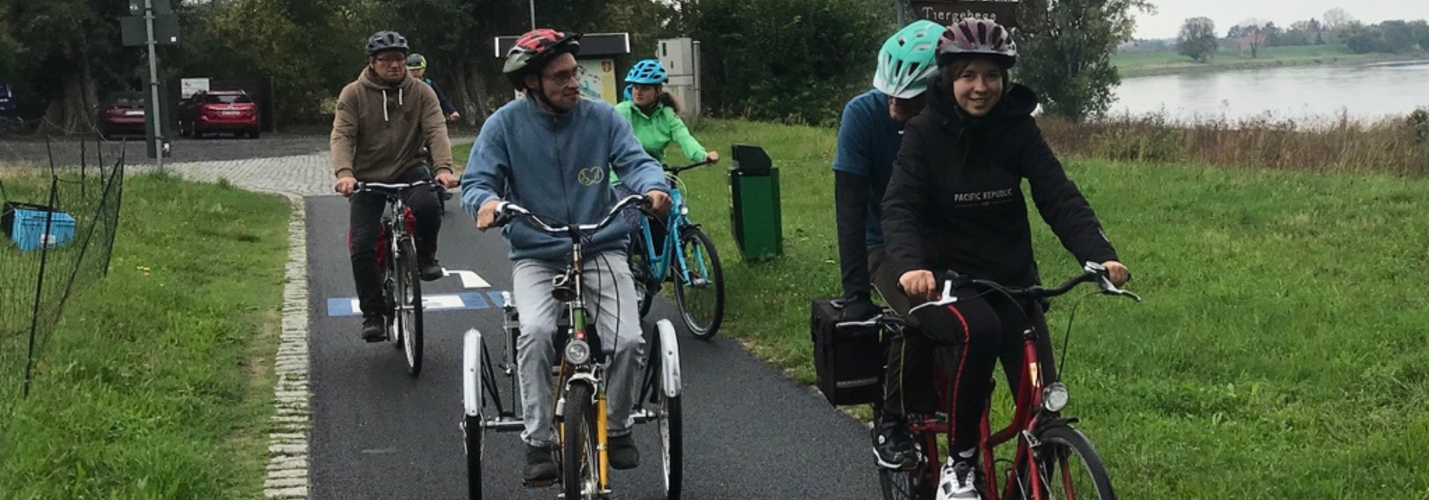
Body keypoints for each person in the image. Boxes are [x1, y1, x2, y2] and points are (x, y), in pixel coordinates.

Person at [880, 18, 1131, 500]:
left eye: (992, 76)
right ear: (949, 78)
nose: (981, 87)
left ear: (1005, 79)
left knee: (1042, 403)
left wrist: (1099, 255)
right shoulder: (925, 134)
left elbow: (1058, 195)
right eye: (968, 75)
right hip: (948, 280)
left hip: (1013, 279)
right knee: (981, 330)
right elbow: (901, 206)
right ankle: (960, 464)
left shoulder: (1017, 129)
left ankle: (1030, 474)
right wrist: (912, 265)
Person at [459, 28, 672, 486]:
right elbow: (477, 181)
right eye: (561, 77)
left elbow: (636, 162)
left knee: (628, 339)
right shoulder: (503, 126)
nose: (575, 83)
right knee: (534, 333)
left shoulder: (603, 119)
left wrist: (654, 188)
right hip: (537, 252)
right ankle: (537, 442)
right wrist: (485, 205)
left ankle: (617, 428)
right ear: (531, 84)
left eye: (575, 73)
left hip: (601, 245)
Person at [830, 19, 945, 471]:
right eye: (889, 93)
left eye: (909, 98)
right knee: (920, 316)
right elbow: (850, 208)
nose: (895, 104)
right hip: (884, 243)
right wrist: (856, 293)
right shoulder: (862, 114)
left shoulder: (948, 119)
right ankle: (893, 421)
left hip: (946, 244)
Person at [332, 30, 457, 342]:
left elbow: (436, 129)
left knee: (429, 205)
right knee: (361, 245)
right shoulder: (353, 94)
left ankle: (426, 256)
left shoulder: (421, 92)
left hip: (409, 166)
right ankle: (373, 313)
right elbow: (342, 135)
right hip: (367, 176)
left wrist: (442, 168)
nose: (394, 65)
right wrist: (345, 173)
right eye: (386, 60)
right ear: (372, 63)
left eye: (399, 60)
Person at [611, 58, 718, 244]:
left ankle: (677, 267)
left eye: (644, 88)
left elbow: (684, 137)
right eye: (635, 87)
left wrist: (703, 155)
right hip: (622, 176)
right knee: (630, 224)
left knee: (677, 214)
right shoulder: (621, 112)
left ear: (657, 91)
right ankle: (627, 267)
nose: (638, 92)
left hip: (653, 174)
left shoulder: (667, 115)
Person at [406, 53, 461, 122]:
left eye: (418, 69)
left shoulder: (429, 84)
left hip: (429, 118)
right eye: (412, 70)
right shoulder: (403, 86)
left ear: (424, 69)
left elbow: (442, 100)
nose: (416, 72)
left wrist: (452, 111)